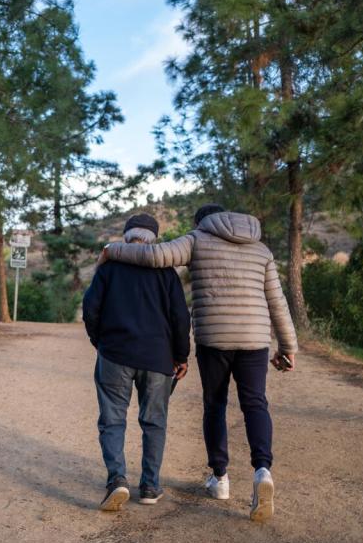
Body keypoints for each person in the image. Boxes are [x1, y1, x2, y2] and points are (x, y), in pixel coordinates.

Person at [102, 204, 297, 522]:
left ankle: (220, 478)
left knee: (215, 405)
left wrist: (112, 249)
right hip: (255, 339)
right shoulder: (261, 249)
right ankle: (263, 470)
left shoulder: (198, 238)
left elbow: (154, 256)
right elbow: (277, 300)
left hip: (214, 338)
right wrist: (288, 346)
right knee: (255, 404)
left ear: (201, 222)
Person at [82, 213, 191, 511]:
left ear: (127, 236)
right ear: (153, 240)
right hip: (158, 359)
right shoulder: (166, 273)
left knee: (112, 420)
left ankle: (117, 479)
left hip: (115, 354)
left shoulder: (109, 269)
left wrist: (99, 342)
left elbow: (90, 308)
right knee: (154, 422)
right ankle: (150, 486)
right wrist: (182, 356)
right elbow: (181, 318)